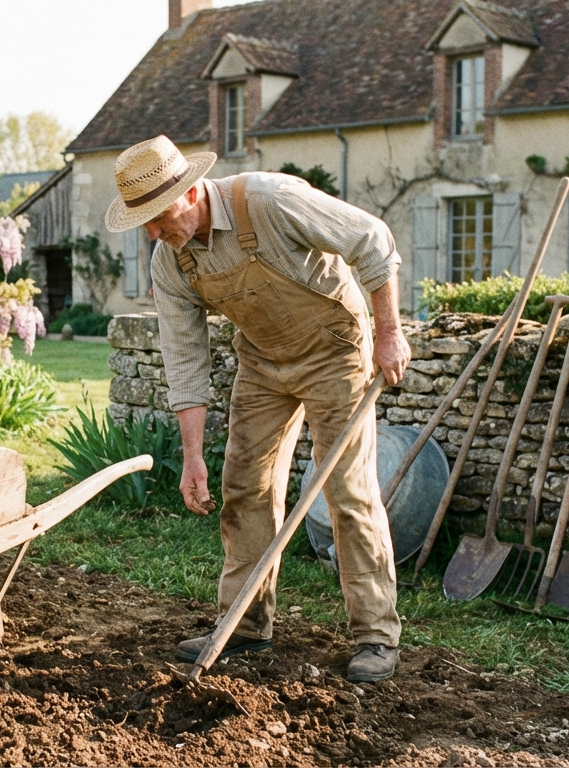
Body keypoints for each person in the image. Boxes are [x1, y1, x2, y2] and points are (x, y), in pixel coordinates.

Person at [104, 136, 411, 682]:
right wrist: (194, 457)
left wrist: (388, 332)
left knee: (346, 488)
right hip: (265, 362)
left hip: (335, 349)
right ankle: (244, 623)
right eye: (144, 222)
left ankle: (375, 635)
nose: (154, 232)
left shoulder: (269, 200)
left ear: (193, 191)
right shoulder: (171, 263)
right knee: (245, 485)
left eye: (159, 216)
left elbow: (372, 239)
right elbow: (185, 360)